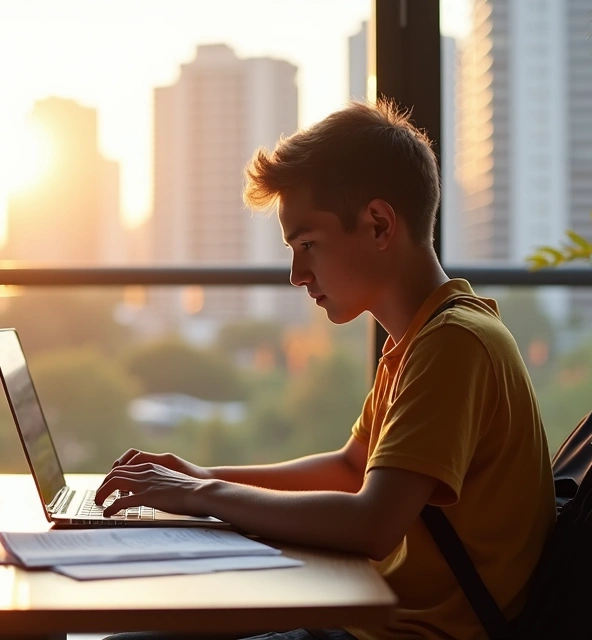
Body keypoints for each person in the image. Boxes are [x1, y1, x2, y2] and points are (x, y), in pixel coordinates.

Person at [97, 100, 556, 640]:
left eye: (308, 244)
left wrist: (199, 497)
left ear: (379, 224)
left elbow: (372, 524)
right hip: (369, 619)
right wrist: (201, 476)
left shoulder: (454, 343)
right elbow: (351, 467)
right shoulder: (423, 339)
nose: (297, 274)